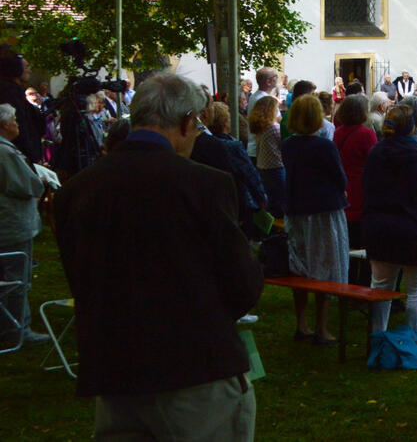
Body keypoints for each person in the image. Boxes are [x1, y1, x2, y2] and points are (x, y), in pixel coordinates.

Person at [54, 74, 262, 439]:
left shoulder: (77, 190)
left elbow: (81, 279)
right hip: (195, 370)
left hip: (115, 373)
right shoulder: (204, 184)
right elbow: (242, 284)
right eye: (197, 126)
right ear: (186, 122)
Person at [364, 104, 417, 342]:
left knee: (380, 287)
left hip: (380, 230)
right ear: (411, 127)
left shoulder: (376, 154)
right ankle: (414, 343)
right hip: (414, 231)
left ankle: (377, 339)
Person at [282, 94, 349, 344]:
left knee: (299, 266)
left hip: (296, 211)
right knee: (325, 266)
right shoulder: (324, 146)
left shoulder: (288, 145)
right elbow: (340, 178)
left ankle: (302, 324)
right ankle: (322, 327)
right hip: (323, 212)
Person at [0, 102, 49, 348]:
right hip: (12, 224)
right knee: (16, 279)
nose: (18, 125)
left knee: (9, 277)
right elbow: (25, 184)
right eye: (14, 121)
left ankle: (9, 325)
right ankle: (18, 330)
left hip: (9, 223)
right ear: (4, 125)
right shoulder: (5, 152)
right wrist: (41, 180)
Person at [207, 102, 268, 239]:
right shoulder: (232, 146)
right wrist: (261, 198)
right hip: (238, 201)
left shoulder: (204, 144)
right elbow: (249, 174)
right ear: (225, 122)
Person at [334, 94, 377, 249]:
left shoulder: (338, 132)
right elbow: (374, 162)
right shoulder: (366, 134)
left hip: (344, 186)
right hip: (361, 188)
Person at [0, 49, 45, 164]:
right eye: (26, 67)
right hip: (19, 158)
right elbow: (22, 129)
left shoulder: (13, 92)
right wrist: (33, 158)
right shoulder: (11, 93)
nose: (29, 71)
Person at [249, 95, 285, 217]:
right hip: (276, 168)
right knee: (279, 202)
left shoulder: (261, 127)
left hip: (262, 166)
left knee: (270, 200)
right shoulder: (274, 128)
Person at [246, 66, 278, 159]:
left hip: (253, 149)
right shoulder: (267, 100)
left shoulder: (254, 96)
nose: (277, 78)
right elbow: (277, 121)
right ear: (268, 82)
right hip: (262, 151)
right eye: (275, 76)